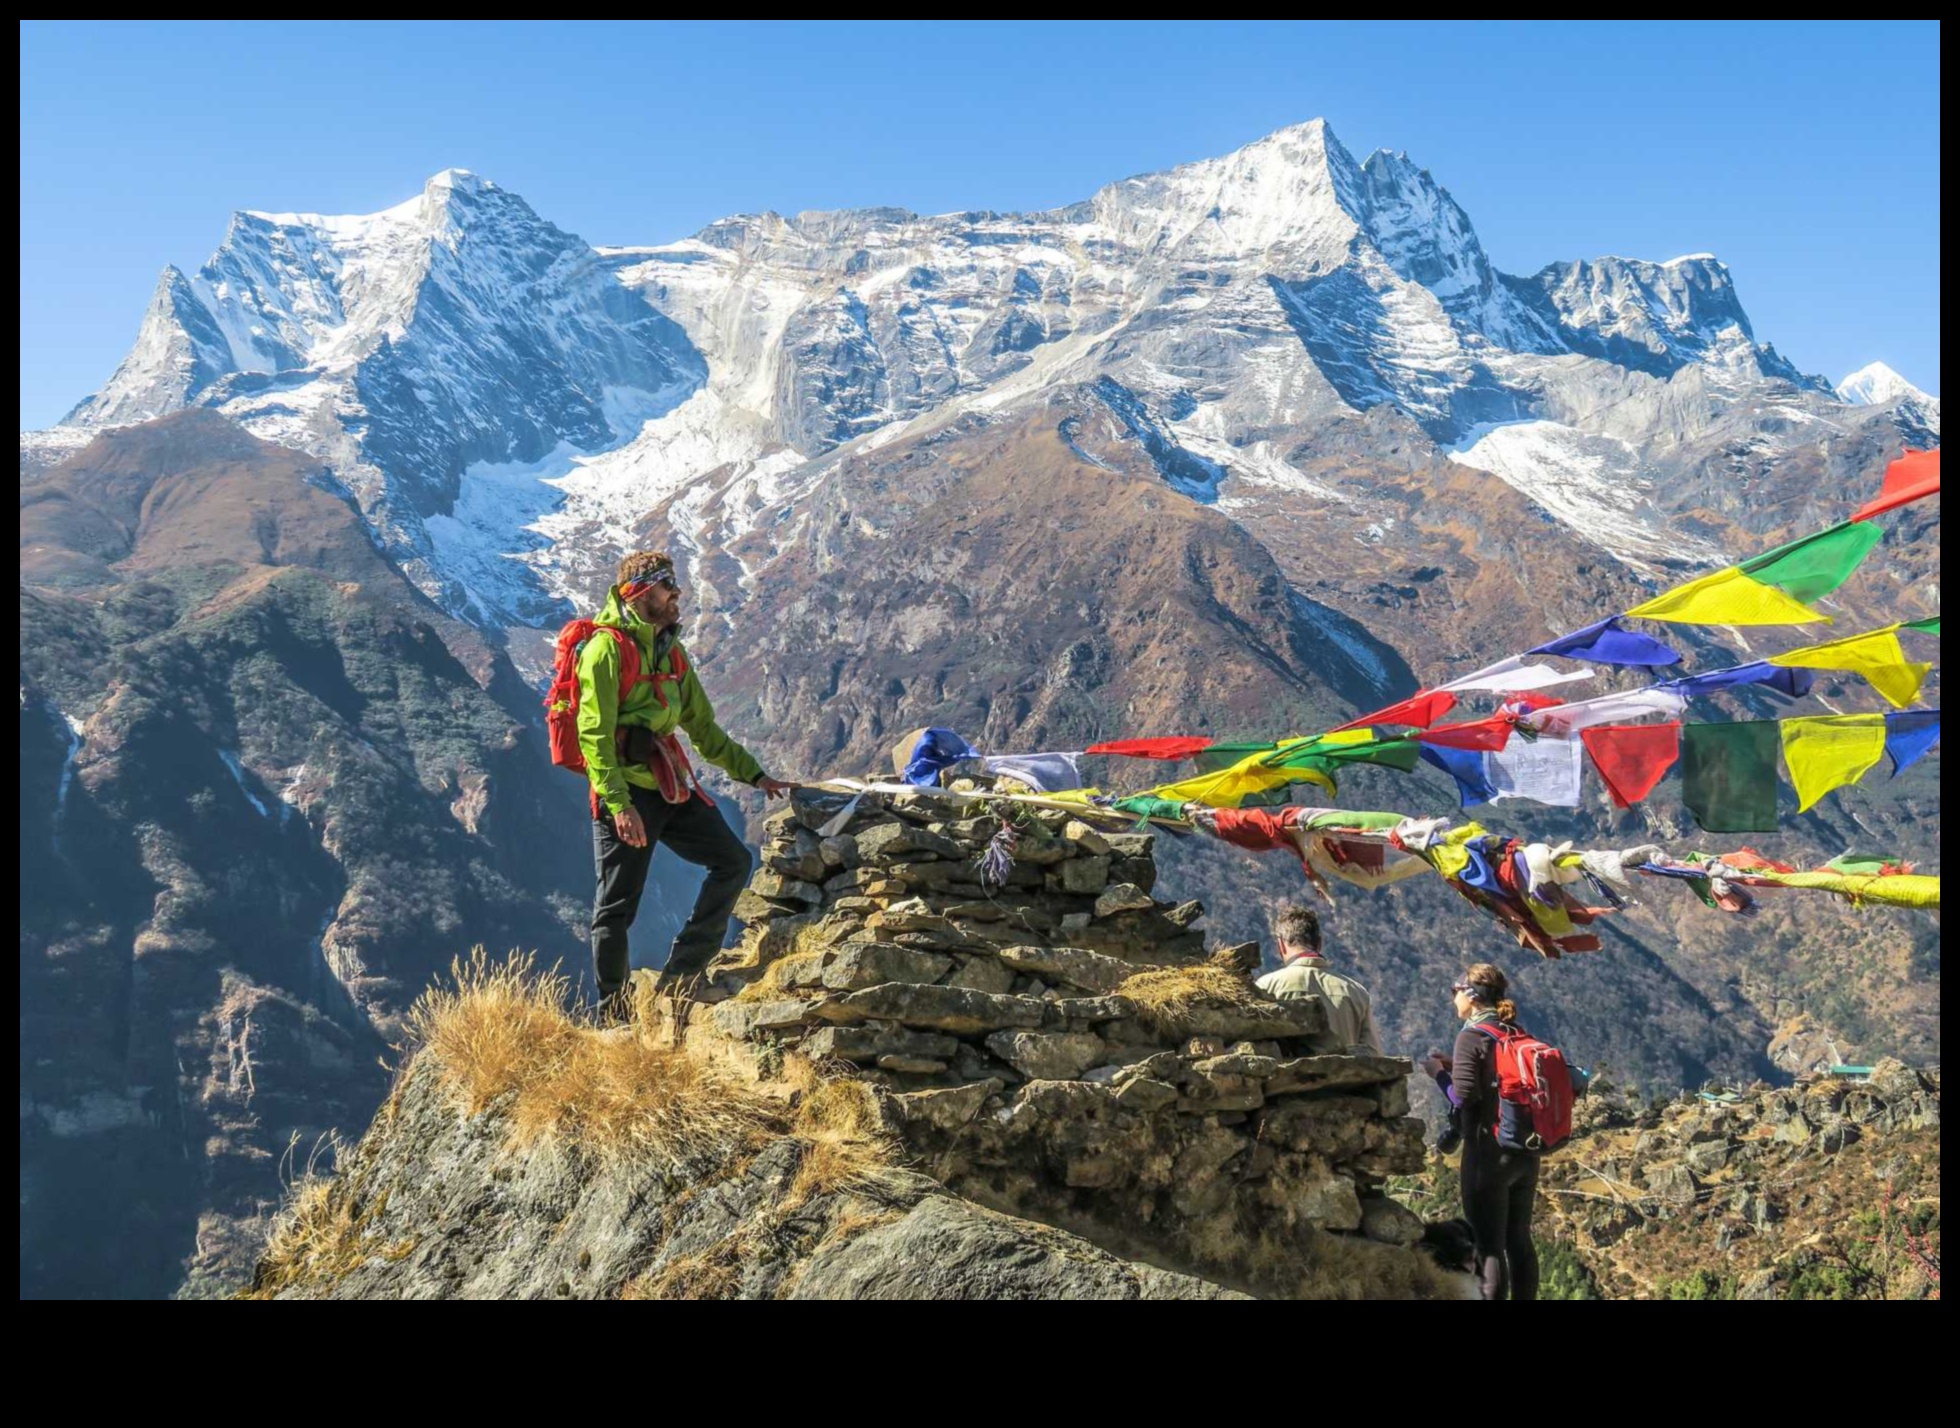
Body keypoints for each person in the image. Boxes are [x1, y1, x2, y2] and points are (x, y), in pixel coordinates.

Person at [578, 551, 792, 1017]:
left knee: (733, 861)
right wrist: (618, 805)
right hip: (628, 793)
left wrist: (754, 773)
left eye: (674, 585)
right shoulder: (605, 650)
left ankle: (682, 973)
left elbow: (704, 728)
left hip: (669, 785)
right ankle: (613, 1014)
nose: (676, 594)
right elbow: (593, 734)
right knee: (616, 908)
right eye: (665, 586)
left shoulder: (671, 652)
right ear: (638, 593)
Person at [1439, 963, 1540, 1301]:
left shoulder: (1471, 1036)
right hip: (1525, 1151)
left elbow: (1464, 1097)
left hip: (1488, 1152)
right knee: (1519, 1241)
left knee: (1489, 1247)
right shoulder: (1515, 1032)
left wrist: (1438, 1075)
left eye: (1456, 991)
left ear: (1471, 994)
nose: (1453, 998)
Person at [1253, 905, 1384, 1056]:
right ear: (1319, 944)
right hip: (1347, 1078)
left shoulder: (1266, 987)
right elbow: (1374, 1055)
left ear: (1281, 945)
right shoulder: (1356, 992)